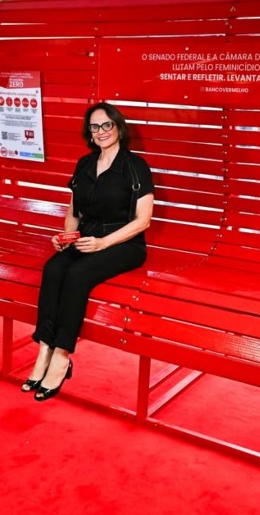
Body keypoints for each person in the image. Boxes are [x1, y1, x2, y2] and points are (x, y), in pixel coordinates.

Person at [22, 102, 155, 402]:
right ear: (89, 132)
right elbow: (74, 211)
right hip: (87, 239)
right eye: (95, 127)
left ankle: (62, 354)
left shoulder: (135, 166)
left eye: (107, 125)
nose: (101, 131)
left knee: (78, 274)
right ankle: (44, 348)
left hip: (124, 244)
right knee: (54, 268)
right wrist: (66, 238)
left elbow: (143, 221)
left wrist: (103, 243)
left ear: (118, 128)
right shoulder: (84, 164)